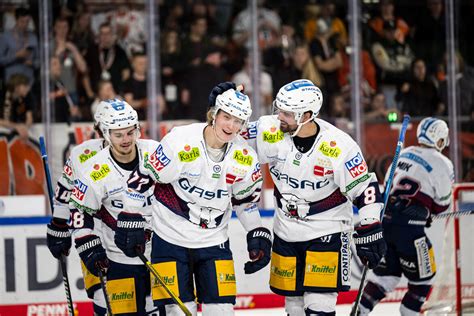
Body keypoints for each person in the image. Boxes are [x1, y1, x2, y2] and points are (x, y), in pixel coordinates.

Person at [209, 80, 387, 315]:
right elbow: (225, 136)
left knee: (319, 307)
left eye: (288, 113)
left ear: (308, 115)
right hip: (285, 230)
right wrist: (219, 107)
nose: (279, 116)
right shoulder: (268, 129)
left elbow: (364, 188)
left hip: (327, 229)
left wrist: (371, 225)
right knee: (294, 307)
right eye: (279, 108)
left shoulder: (338, 145)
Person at [141, 88, 271, 315]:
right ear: (214, 114)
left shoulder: (246, 157)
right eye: (226, 117)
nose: (231, 126)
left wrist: (256, 230)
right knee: (177, 312)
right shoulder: (180, 140)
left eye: (238, 121)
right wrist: (132, 218)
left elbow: (245, 202)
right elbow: (147, 182)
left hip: (213, 242)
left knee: (221, 310)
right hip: (169, 239)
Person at [68, 99, 160, 315]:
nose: (126, 140)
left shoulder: (155, 152)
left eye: (130, 133)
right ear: (106, 134)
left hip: (162, 254)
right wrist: (87, 243)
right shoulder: (93, 170)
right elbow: (80, 212)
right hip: (119, 259)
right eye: (118, 135)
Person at [358, 117, 454, 316]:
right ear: (439, 139)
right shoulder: (443, 163)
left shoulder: (404, 153)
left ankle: (361, 310)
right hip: (410, 231)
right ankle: (408, 312)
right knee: (422, 281)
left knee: (385, 277)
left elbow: (387, 190)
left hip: (385, 223)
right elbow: (442, 206)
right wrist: (427, 212)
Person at [46, 100, 109, 314]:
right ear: (99, 130)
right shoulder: (83, 154)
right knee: (103, 301)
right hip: (92, 236)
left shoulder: (142, 152)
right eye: (111, 130)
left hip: (133, 239)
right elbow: (65, 192)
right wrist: (58, 225)